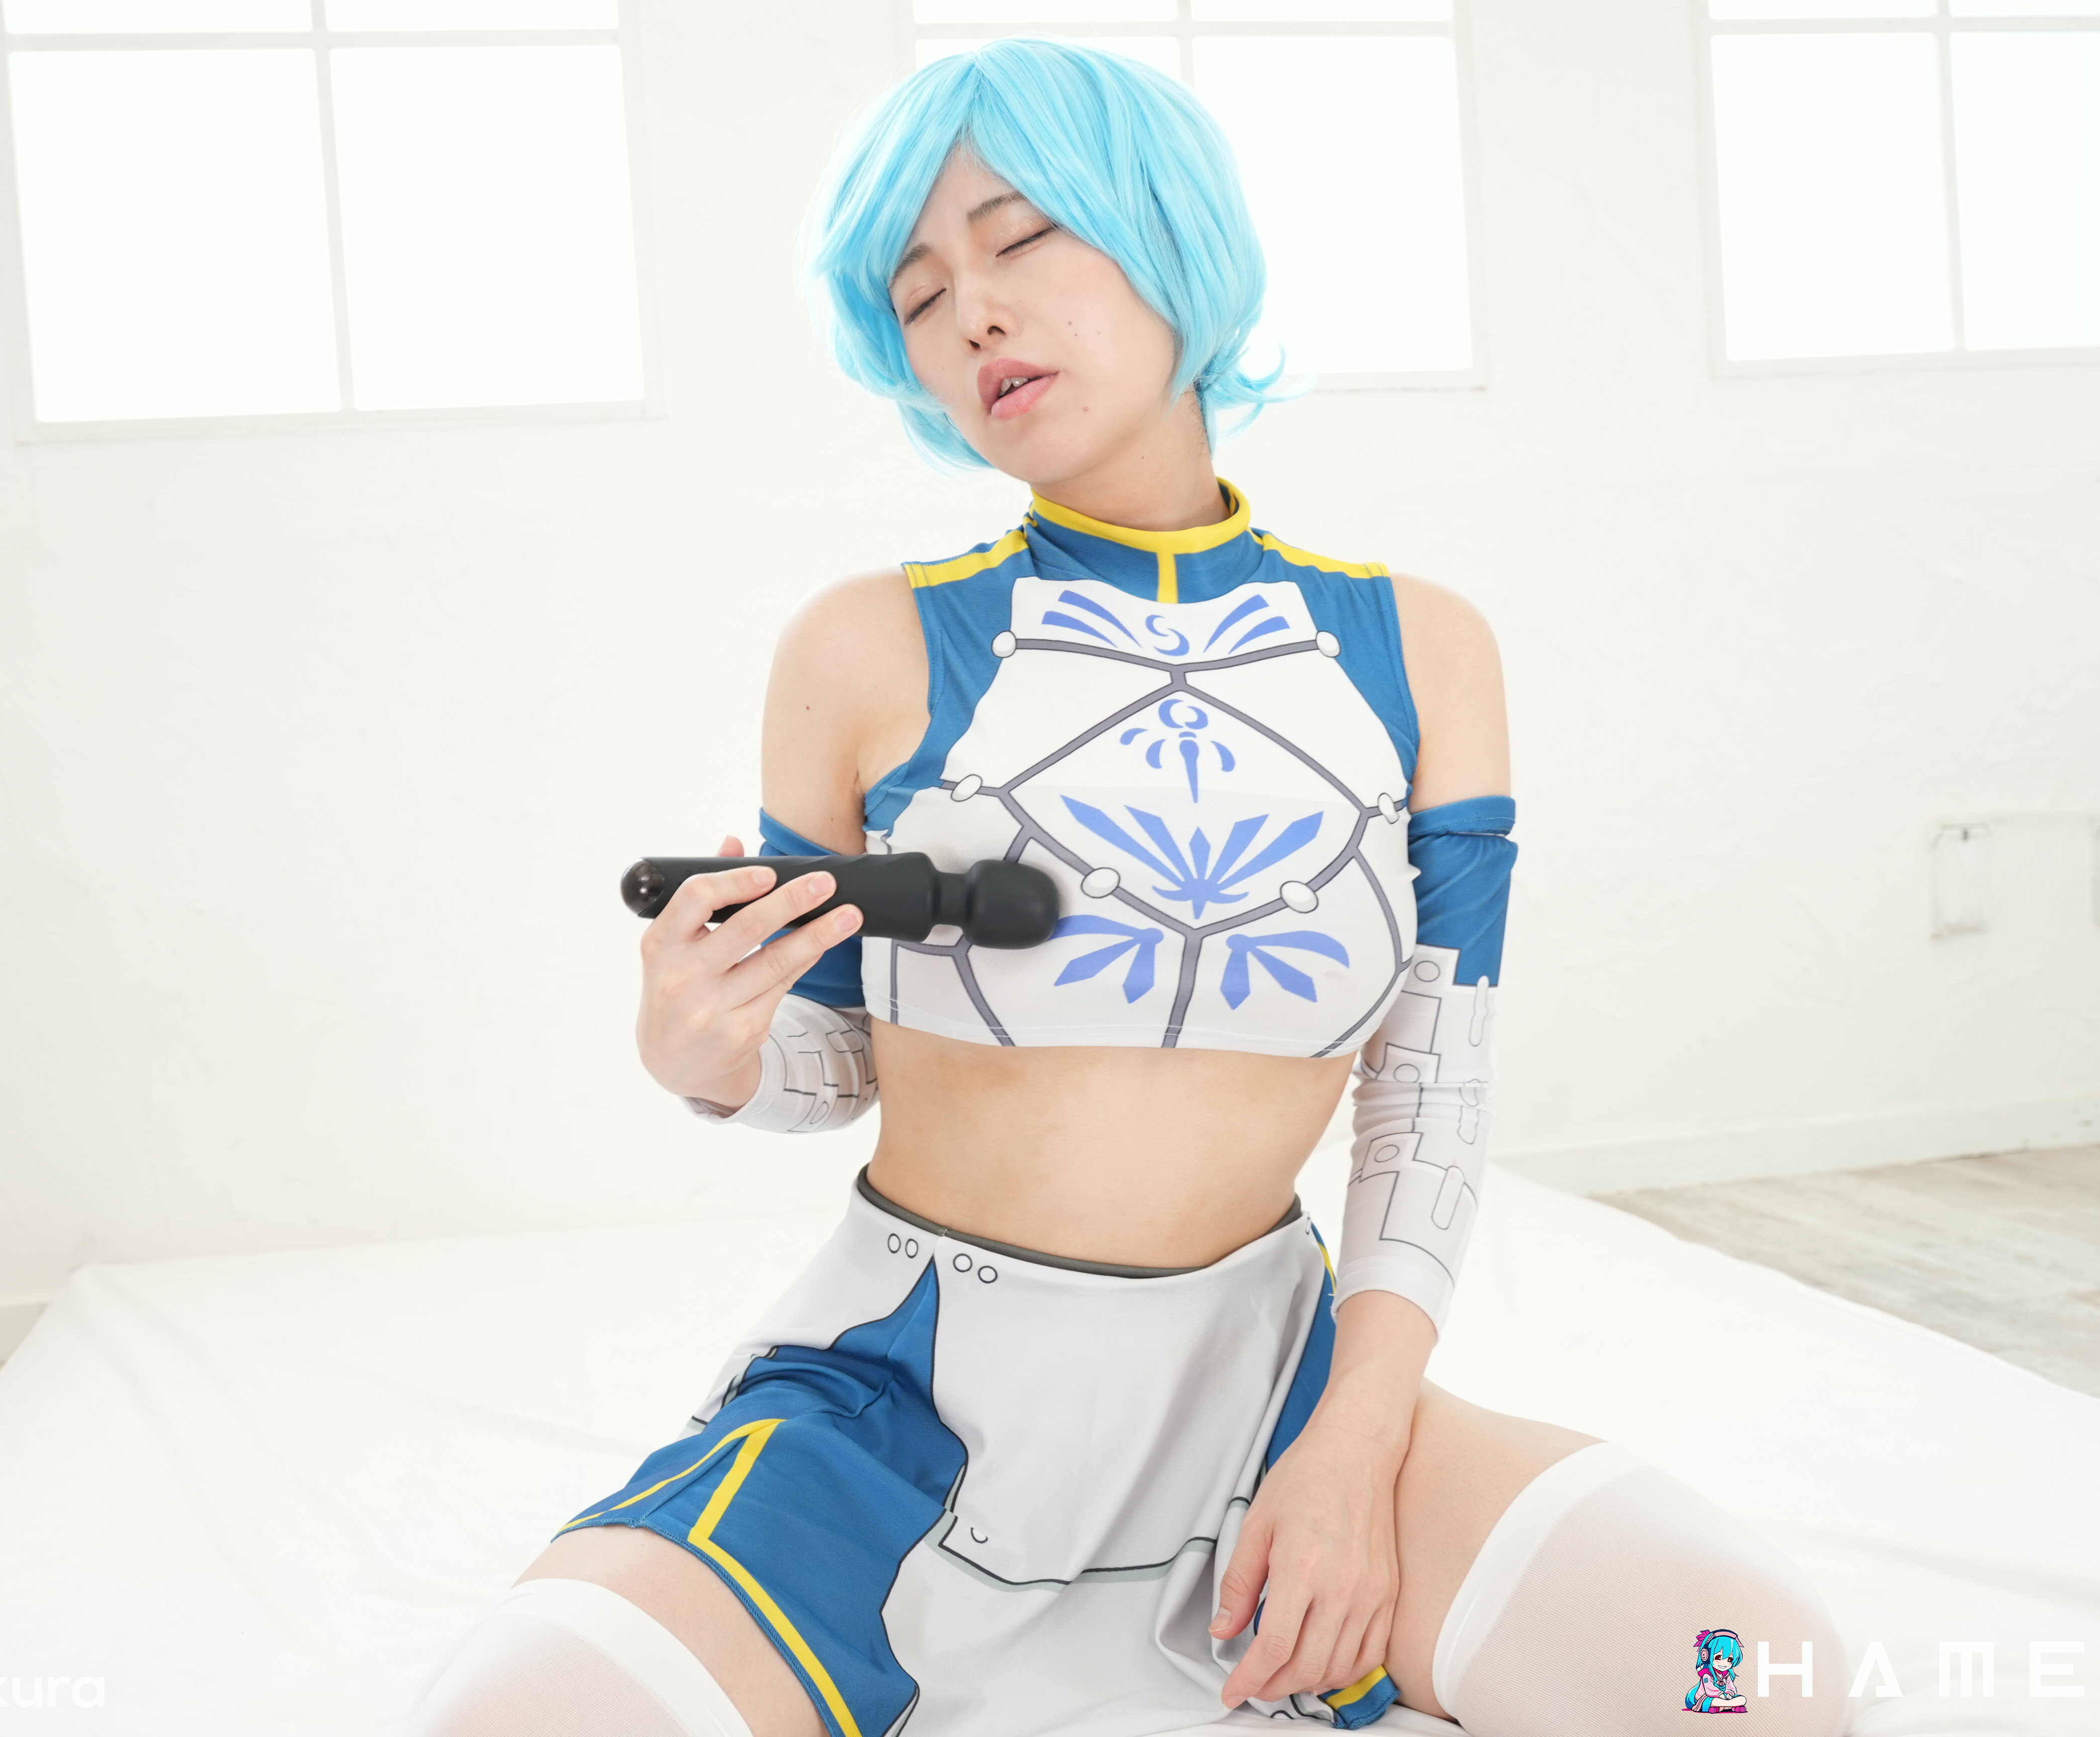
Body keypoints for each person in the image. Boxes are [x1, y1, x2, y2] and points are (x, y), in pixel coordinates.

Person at [409, 38, 1844, 1737]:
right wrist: (699, 1047)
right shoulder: (864, 644)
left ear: (1170, 240)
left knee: (1752, 1678)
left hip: (1273, 1396)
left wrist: (1356, 1443)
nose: (975, 315)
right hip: (899, 1414)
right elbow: (827, 1063)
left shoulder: (1423, 649)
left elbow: (1431, 1092)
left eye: (1022, 239)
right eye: (921, 294)